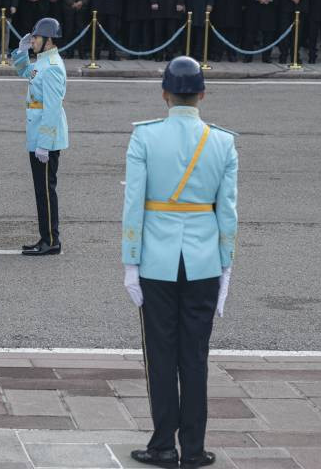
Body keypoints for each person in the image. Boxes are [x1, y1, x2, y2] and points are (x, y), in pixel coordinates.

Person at [121, 56, 238, 469]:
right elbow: (228, 212)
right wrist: (226, 265)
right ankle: (193, 448)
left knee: (161, 355)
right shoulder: (222, 142)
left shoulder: (146, 138)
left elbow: (134, 204)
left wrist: (129, 261)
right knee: (195, 357)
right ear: (202, 94)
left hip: (157, 260)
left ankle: (162, 444)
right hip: (204, 261)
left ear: (165, 94)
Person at [12, 17, 68, 256]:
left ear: (48, 40)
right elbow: (25, 72)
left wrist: (44, 144)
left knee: (45, 190)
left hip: (46, 137)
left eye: (35, 37)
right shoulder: (42, 62)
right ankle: (45, 237)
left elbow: (53, 109)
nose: (32, 40)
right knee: (40, 190)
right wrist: (20, 51)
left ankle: (51, 240)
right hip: (37, 133)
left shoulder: (53, 66)